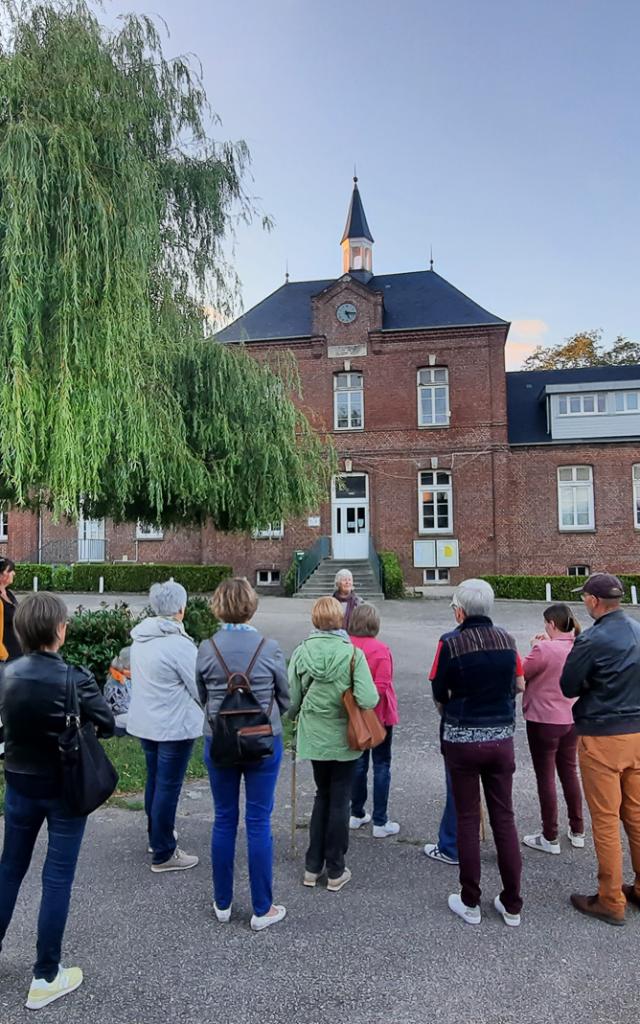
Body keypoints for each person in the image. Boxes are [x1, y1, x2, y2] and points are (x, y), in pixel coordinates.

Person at [0, 592, 114, 1011]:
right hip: (66, 786)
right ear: (60, 630)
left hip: (19, 782)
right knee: (57, 877)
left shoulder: (6, 673)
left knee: (9, 868)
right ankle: (46, 974)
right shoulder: (75, 677)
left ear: (20, 630)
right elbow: (106, 722)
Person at [197, 577, 289, 931]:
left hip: (218, 740)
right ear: (252, 605)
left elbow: (200, 694)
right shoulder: (270, 647)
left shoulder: (207, 648)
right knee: (258, 821)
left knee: (223, 818)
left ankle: (222, 902)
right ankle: (262, 907)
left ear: (218, 606)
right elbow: (286, 697)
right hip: (263, 740)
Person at [430, 579, 524, 927]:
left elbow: (439, 689)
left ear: (460, 611)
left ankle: (470, 901)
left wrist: (451, 712)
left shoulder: (450, 642)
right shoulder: (509, 640)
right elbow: (518, 684)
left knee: (468, 818)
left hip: (463, 739)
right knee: (504, 818)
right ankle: (512, 903)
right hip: (501, 738)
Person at [560, 573, 640, 926]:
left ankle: (610, 899)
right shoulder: (638, 630)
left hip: (603, 735)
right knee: (637, 816)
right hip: (638, 732)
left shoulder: (591, 639)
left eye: (585, 598)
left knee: (606, 820)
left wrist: (595, 680)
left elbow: (568, 685)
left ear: (593, 601)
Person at [288, 596, 378, 892]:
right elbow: (368, 699)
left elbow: (293, 700)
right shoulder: (352, 654)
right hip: (344, 735)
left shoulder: (302, 652)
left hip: (314, 735)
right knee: (341, 798)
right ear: (340, 620)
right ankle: (336, 868)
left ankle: (312, 867)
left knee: (321, 795)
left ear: (314, 620)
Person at [127, 580, 202, 873]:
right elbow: (198, 687)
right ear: (181, 609)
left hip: (147, 721)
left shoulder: (141, 639)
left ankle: (156, 835)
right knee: (168, 786)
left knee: (155, 781)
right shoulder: (179, 645)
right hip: (173, 725)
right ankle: (164, 851)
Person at [521, 603, 585, 854]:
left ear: (551, 624)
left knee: (545, 776)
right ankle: (578, 830)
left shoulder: (543, 649)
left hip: (543, 720)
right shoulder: (579, 646)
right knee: (570, 773)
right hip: (571, 719)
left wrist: (535, 646)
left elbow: (522, 673)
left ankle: (550, 836)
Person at [348, 603, 400, 837]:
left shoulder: (346, 646)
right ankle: (380, 820)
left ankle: (356, 812)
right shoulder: (381, 649)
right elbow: (383, 683)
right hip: (379, 715)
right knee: (381, 765)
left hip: (354, 714)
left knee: (358, 765)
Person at [0, 557, 20, 661]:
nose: (14, 573)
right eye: (10, 570)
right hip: (5, 656)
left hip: (17, 652)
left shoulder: (9, 593)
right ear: (1, 574)